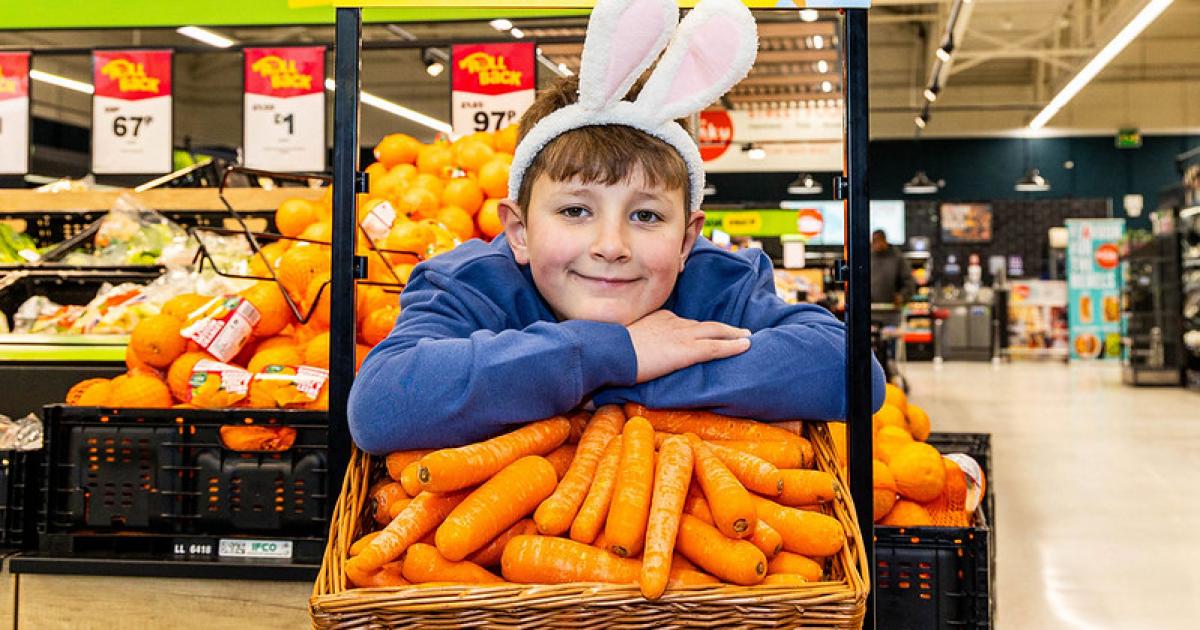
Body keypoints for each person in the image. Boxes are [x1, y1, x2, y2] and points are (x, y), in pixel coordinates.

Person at [348, 0, 885, 454]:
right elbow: (380, 406)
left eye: (646, 216)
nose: (611, 246)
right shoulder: (468, 285)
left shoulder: (720, 286)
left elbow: (850, 372)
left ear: (687, 239)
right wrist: (620, 353)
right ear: (517, 230)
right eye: (575, 211)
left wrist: (606, 384)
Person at [871, 229, 916, 308]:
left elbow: (909, 282)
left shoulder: (897, 258)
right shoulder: (867, 258)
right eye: (874, 241)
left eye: (879, 240)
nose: (877, 244)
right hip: (870, 310)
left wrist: (902, 296)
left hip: (892, 310)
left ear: (885, 240)